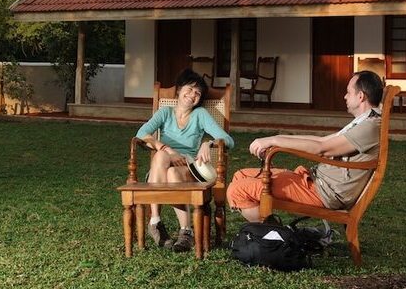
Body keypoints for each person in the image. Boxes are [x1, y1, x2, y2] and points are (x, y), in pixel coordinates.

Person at [227, 70, 384, 222]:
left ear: (361, 96)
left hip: (323, 192)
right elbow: (321, 140)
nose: (344, 96)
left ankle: (273, 237)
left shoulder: (369, 126)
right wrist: (277, 137)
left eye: (348, 92)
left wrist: (274, 141)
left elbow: (322, 148)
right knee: (241, 175)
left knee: (237, 190)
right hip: (316, 181)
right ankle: (271, 233)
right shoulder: (364, 121)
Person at [136, 68, 235, 252]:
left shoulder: (201, 115)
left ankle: (174, 228)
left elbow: (228, 141)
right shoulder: (165, 113)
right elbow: (141, 134)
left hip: (187, 167)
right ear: (179, 90)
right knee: (162, 158)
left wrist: (209, 143)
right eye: (189, 89)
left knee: (173, 171)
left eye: (197, 93)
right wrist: (164, 147)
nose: (192, 95)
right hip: (162, 167)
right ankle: (163, 223)